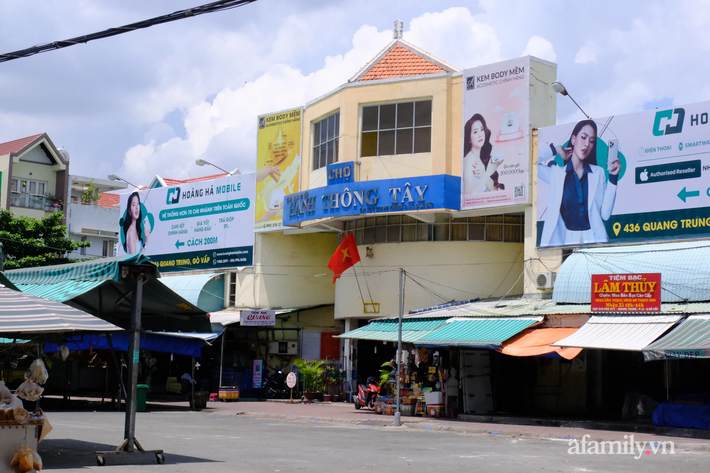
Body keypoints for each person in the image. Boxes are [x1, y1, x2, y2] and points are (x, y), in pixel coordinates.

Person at [538, 119, 620, 246]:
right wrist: (555, 149)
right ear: (573, 139)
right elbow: (529, 163)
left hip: (594, 239)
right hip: (564, 240)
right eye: (583, 137)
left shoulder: (598, 173)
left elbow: (605, 215)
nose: (587, 144)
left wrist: (613, 179)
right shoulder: (556, 173)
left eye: (591, 141)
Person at [463, 113, 505, 194]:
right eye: (475, 132)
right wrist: (488, 172)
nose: (480, 135)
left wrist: (483, 172)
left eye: (482, 129)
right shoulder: (470, 159)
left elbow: (494, 191)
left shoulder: (480, 159)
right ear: (469, 139)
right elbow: (468, 197)